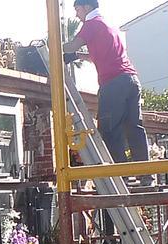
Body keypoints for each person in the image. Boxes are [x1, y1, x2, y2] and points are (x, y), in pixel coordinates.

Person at [63, 0, 152, 184]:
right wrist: (79, 56)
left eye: (77, 9)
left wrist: (52, 49)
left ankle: (122, 177)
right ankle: (146, 175)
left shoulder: (91, 24)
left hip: (113, 83)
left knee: (110, 130)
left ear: (87, 8)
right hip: (131, 80)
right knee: (134, 127)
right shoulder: (108, 25)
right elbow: (101, 55)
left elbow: (72, 46)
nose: (76, 15)